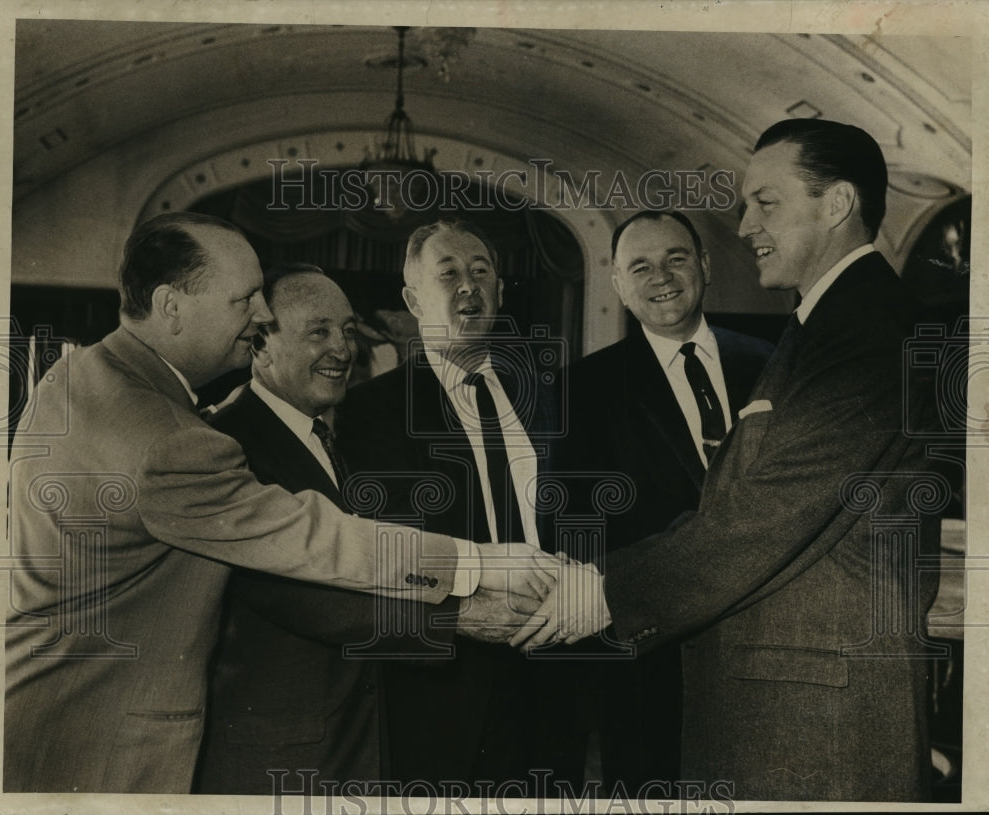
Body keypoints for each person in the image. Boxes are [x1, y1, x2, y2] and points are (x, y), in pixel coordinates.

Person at [4, 213, 552, 794]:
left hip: (53, 721)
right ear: (170, 306)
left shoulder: (78, 374)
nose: (262, 315)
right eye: (244, 300)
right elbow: (307, 539)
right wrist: (479, 564)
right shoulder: (174, 439)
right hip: (109, 744)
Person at [515, 119, 945, 801]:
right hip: (778, 699)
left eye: (765, 202)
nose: (745, 226)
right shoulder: (826, 324)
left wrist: (604, 591)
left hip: (819, 716)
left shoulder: (869, 330)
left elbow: (768, 511)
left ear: (837, 204)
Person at [194, 263, 536, 793]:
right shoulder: (227, 443)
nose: (341, 349)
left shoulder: (333, 434)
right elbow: (297, 594)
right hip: (280, 757)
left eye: (348, 330)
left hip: (355, 742)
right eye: (318, 332)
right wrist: (464, 615)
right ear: (260, 342)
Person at [339, 220, 575, 790]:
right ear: (413, 299)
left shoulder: (548, 396)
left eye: (481, 271)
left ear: (501, 290)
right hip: (444, 686)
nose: (468, 285)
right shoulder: (370, 410)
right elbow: (384, 549)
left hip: (553, 676)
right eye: (447, 274)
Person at [560, 210, 772, 794]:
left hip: (767, 646)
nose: (662, 276)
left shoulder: (774, 364)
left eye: (676, 258)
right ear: (619, 285)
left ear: (704, 265)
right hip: (650, 659)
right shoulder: (583, 388)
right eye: (640, 267)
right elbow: (576, 530)